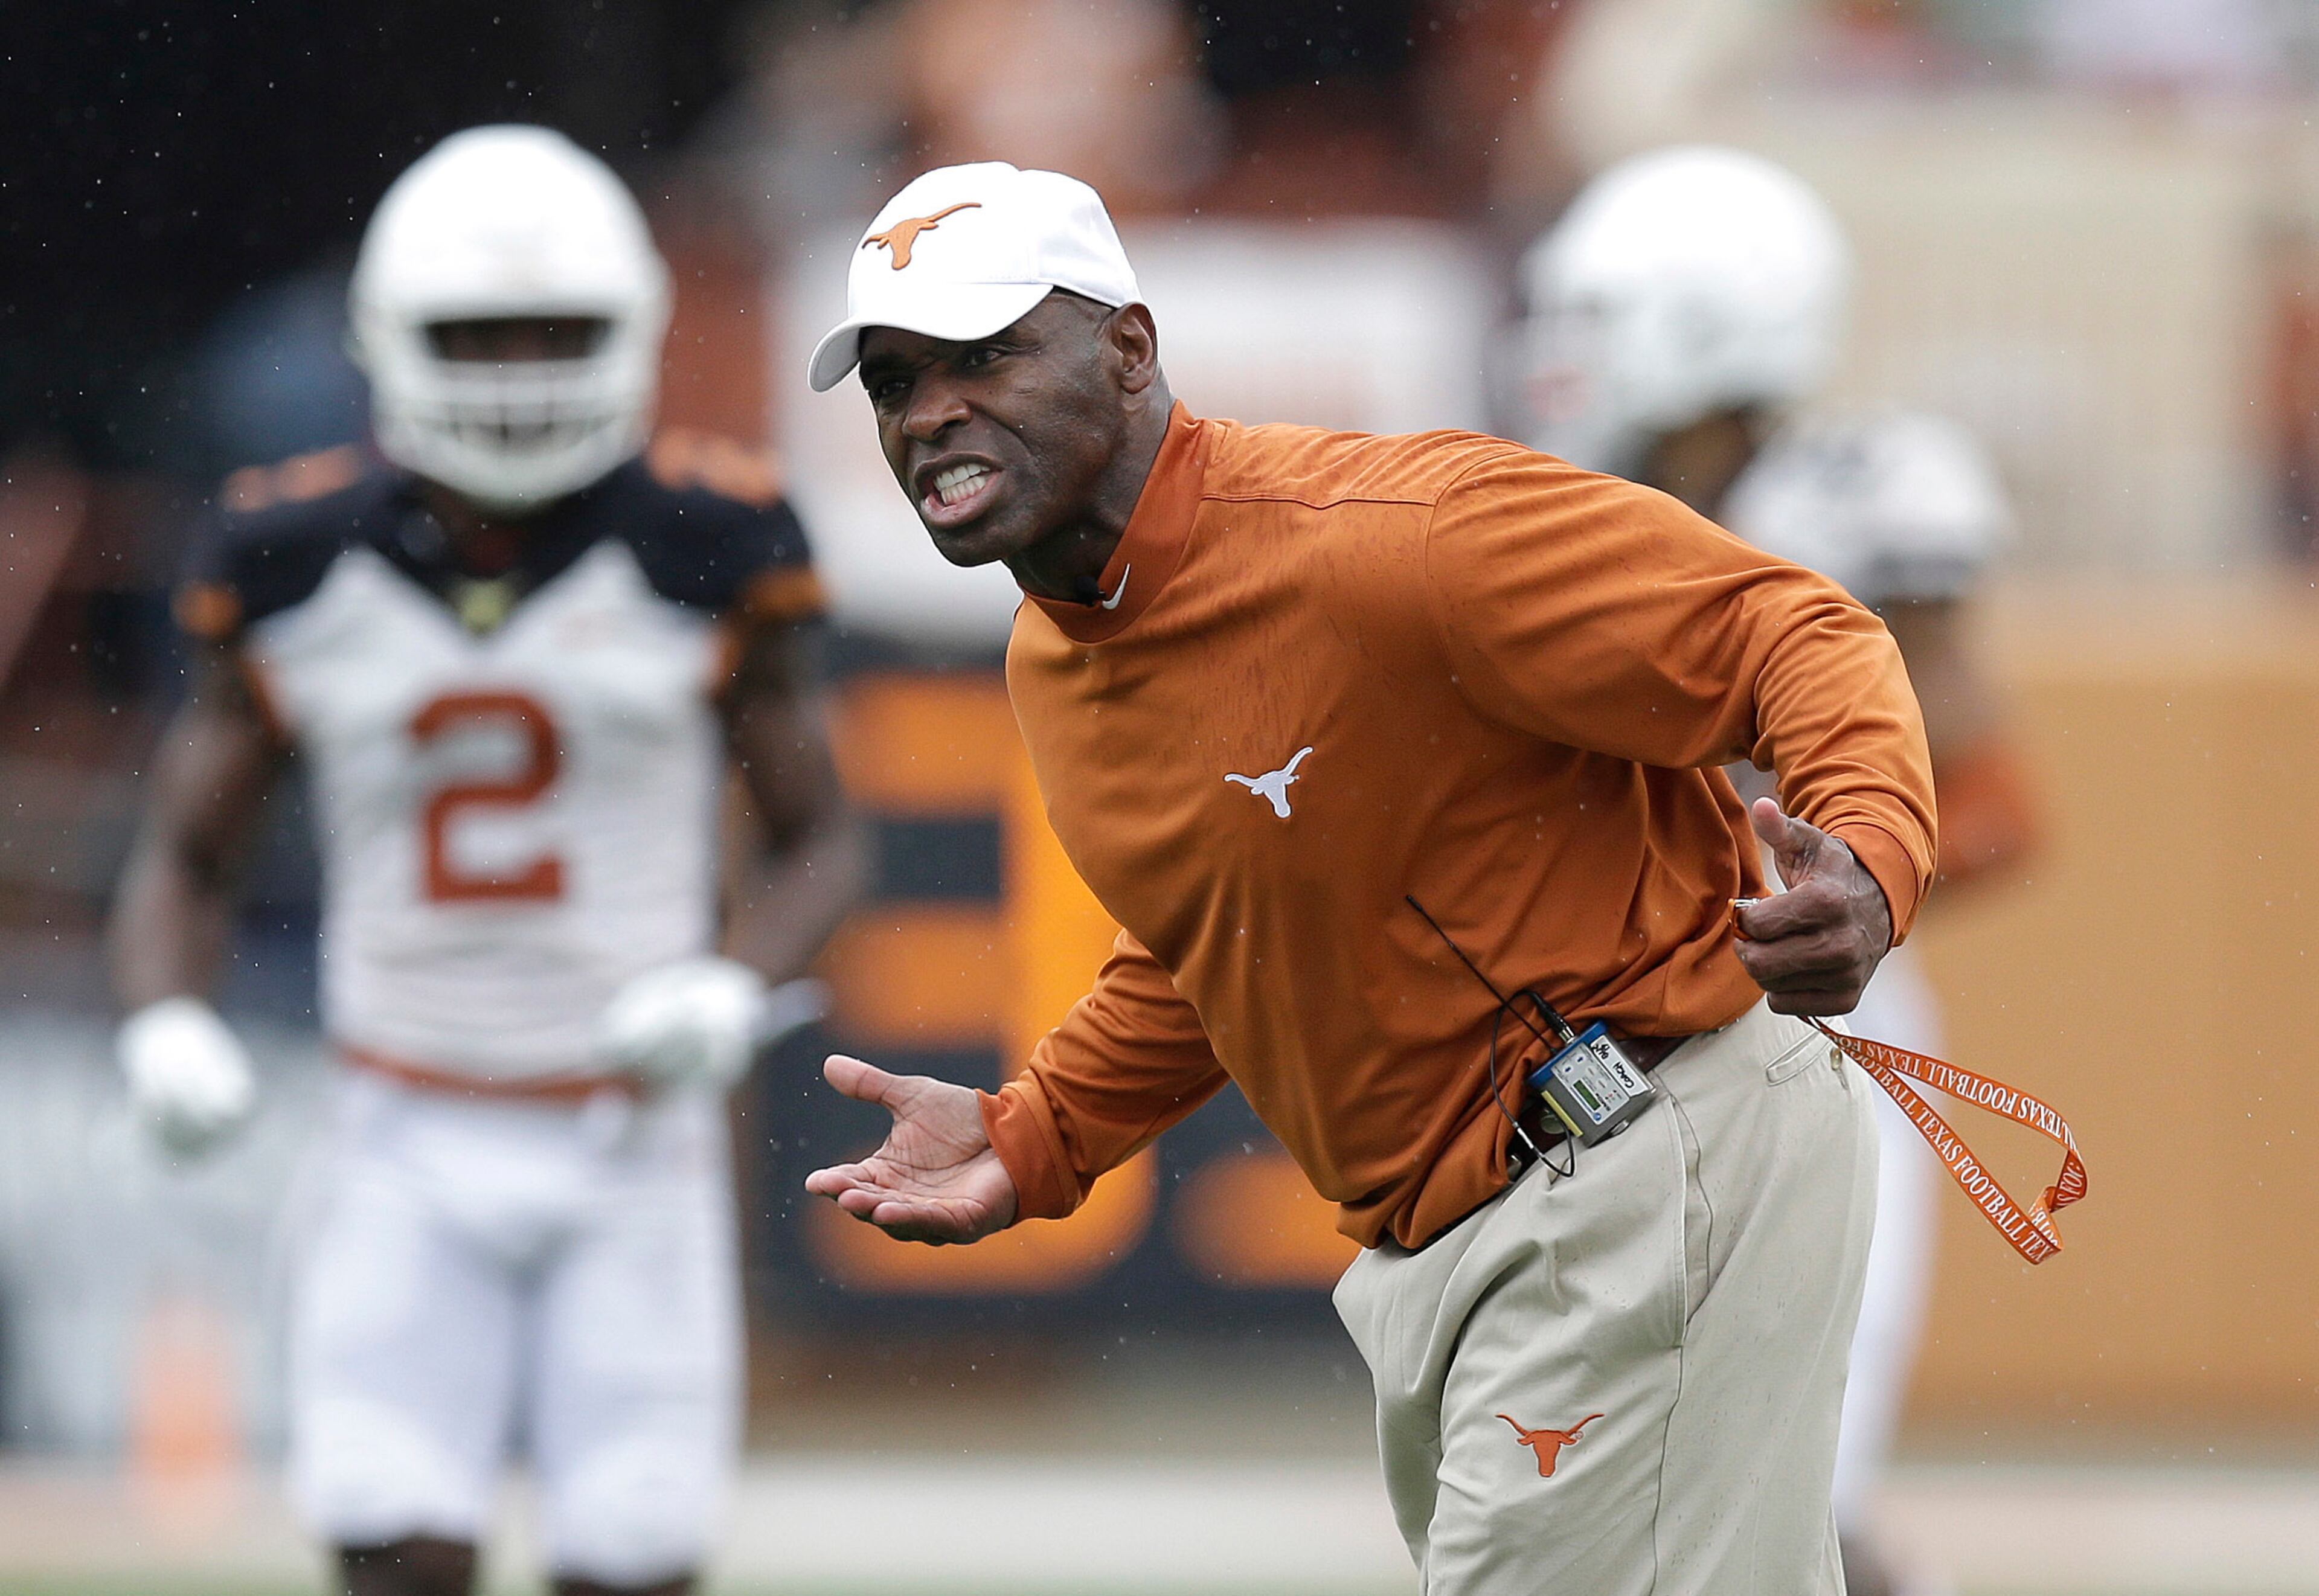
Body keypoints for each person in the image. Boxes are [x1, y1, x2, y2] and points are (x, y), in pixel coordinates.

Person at [797, 160, 1934, 1592]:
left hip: (1638, 1147)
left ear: (1129, 348)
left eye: (984, 352)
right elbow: (1232, 935)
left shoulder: (1390, 536)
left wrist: (1874, 857)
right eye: (896, 380)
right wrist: (1037, 1133)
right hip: (1494, 1225)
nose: (931, 410)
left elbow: (1796, 630)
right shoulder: (1055, 656)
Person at [107, 125, 864, 1596]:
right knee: (398, 1551)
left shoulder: (710, 539)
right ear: (391, 342)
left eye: (556, 333)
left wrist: (731, 982)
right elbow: (188, 855)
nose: (519, 368)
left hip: (628, 1135)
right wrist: (165, 1017)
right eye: (478, 335)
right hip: (400, 1125)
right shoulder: (289, 555)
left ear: (630, 333)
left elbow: (823, 836)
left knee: (632, 1560)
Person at [1520, 144, 2039, 1596]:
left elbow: (1995, 804)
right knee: (1600, 1480)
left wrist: (1827, 888)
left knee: (1790, 1488)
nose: (1565, 352)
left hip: (1819, 1036)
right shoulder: (1548, 507)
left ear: (1710, 320)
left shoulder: (1861, 497)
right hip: (1609, 1040)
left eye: (1603, 314)